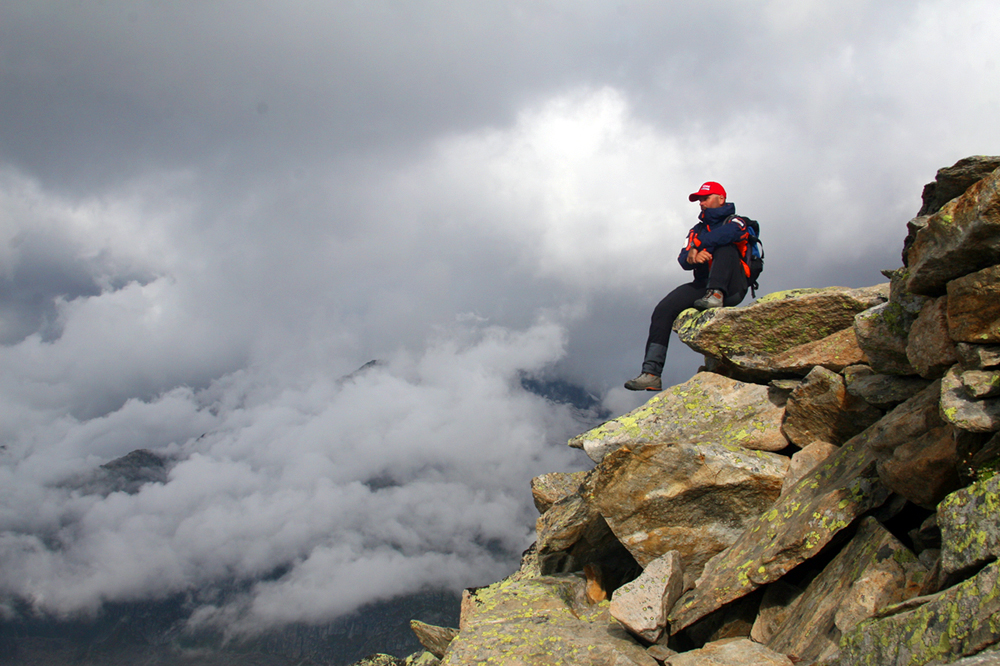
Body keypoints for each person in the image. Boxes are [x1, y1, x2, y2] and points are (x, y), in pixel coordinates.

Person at [624, 181, 751, 391]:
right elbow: (683, 260)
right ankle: (651, 374)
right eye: (699, 199)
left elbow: (730, 234)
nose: (701, 203)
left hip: (733, 285)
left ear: (721, 198)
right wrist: (693, 257)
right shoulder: (696, 230)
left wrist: (699, 245)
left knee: (725, 245)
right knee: (663, 309)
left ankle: (716, 296)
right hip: (703, 285)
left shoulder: (737, 221)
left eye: (706, 198)